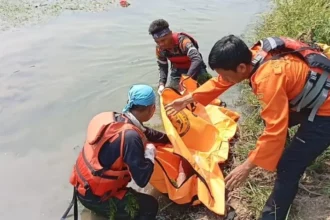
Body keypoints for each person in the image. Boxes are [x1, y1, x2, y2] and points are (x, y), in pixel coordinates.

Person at [165, 35, 330, 220]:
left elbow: (275, 130)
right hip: (315, 90)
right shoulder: (254, 55)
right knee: (271, 122)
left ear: (241, 68)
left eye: (226, 74)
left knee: (288, 167)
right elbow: (222, 81)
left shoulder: (268, 78)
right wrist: (188, 99)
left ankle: (271, 216)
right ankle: (279, 152)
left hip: (325, 112)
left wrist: (247, 166)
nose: (225, 78)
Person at [67, 84, 171, 220]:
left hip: (82, 187)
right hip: (96, 198)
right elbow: (142, 179)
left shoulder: (117, 120)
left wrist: (169, 139)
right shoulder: (130, 137)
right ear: (151, 110)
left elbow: (146, 132)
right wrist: (150, 154)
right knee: (150, 205)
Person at [148, 19, 212, 95]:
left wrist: (186, 80)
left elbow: (197, 59)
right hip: (177, 71)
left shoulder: (184, 42)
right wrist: (161, 84)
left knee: (207, 91)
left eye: (163, 40)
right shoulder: (160, 49)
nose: (161, 44)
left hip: (196, 68)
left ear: (170, 34)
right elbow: (163, 67)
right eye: (157, 42)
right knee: (173, 93)